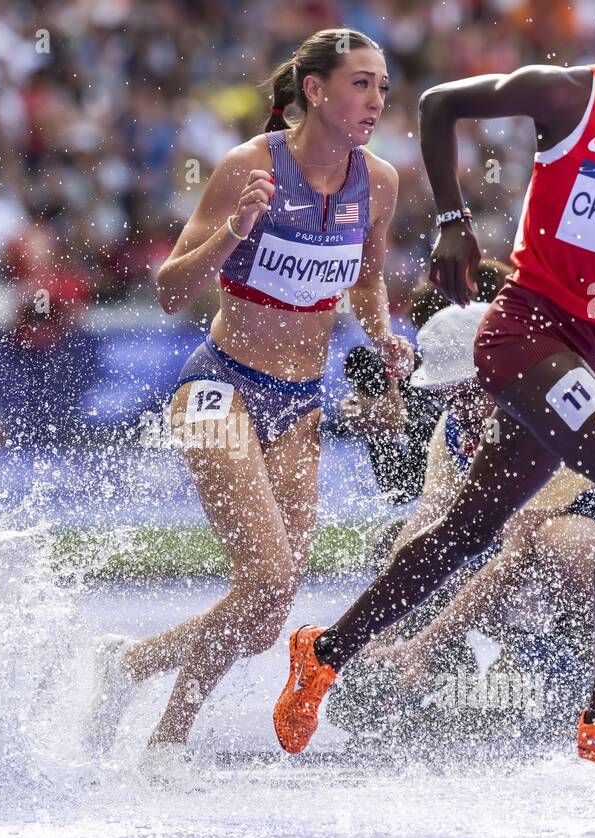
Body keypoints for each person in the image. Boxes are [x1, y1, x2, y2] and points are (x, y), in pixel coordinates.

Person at [274, 0, 595, 774]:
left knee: (469, 531)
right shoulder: (570, 97)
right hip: (524, 335)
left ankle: (326, 650)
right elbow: (441, 104)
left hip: (590, 351)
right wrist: (451, 216)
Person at [86, 28, 412, 768]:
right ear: (317, 91)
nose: (376, 101)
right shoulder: (247, 166)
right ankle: (169, 738)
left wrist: (382, 332)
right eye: (361, 83)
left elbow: (365, 275)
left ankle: (130, 664)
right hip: (220, 387)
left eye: (384, 86)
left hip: (301, 403)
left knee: (266, 616)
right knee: (265, 579)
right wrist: (234, 230)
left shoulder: (380, 182)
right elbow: (170, 292)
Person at [331, 277, 595, 743]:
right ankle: (531, 663)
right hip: (587, 552)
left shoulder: (563, 404)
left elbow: (517, 555)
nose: (459, 411)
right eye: (447, 398)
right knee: (414, 550)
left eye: (467, 395)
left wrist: (424, 644)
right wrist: (372, 636)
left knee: (554, 539)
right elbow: (424, 530)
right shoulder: (457, 424)